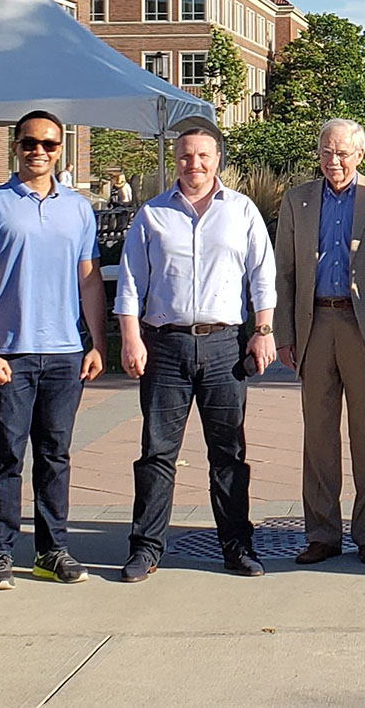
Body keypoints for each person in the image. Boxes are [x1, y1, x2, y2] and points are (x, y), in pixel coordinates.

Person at [115, 128, 277, 582]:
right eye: (185, 156)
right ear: (176, 160)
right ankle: (146, 548)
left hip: (224, 345)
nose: (194, 164)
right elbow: (131, 284)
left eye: (203, 156)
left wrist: (262, 331)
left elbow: (263, 277)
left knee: (228, 452)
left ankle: (237, 545)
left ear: (218, 160)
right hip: (165, 346)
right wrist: (131, 338)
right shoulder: (153, 215)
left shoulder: (241, 211)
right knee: (157, 452)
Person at [0, 110, 107, 590]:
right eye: (30, 143)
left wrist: (97, 343)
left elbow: (89, 281)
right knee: (6, 454)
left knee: (56, 454)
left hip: (65, 352)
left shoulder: (78, 208)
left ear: (60, 148)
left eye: (48, 144)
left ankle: (52, 549)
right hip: (10, 352)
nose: (38, 151)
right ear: (15, 146)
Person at [275, 119, 365, 566]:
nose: (334, 161)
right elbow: (285, 273)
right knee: (318, 436)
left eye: (343, 153)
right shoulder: (298, 200)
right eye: (327, 152)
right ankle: (322, 533)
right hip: (315, 325)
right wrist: (285, 335)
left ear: (359, 155)